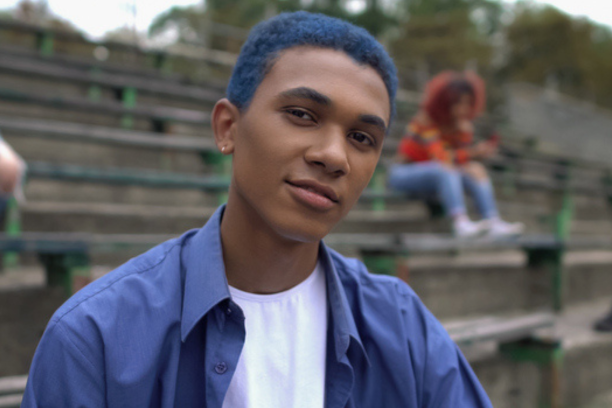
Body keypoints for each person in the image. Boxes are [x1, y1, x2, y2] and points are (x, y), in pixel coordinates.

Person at [22, 12, 493, 408]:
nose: (334, 155)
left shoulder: (403, 327)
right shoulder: (95, 338)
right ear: (228, 127)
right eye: (302, 115)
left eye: (362, 138)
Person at [388, 71, 524, 238]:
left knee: (476, 169)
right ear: (444, 102)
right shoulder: (425, 121)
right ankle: (460, 222)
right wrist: (473, 153)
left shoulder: (463, 128)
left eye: (468, 103)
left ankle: (493, 221)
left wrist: (474, 161)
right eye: (458, 103)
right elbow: (441, 157)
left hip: (440, 175)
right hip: (402, 173)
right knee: (446, 168)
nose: (464, 108)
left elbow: (458, 160)